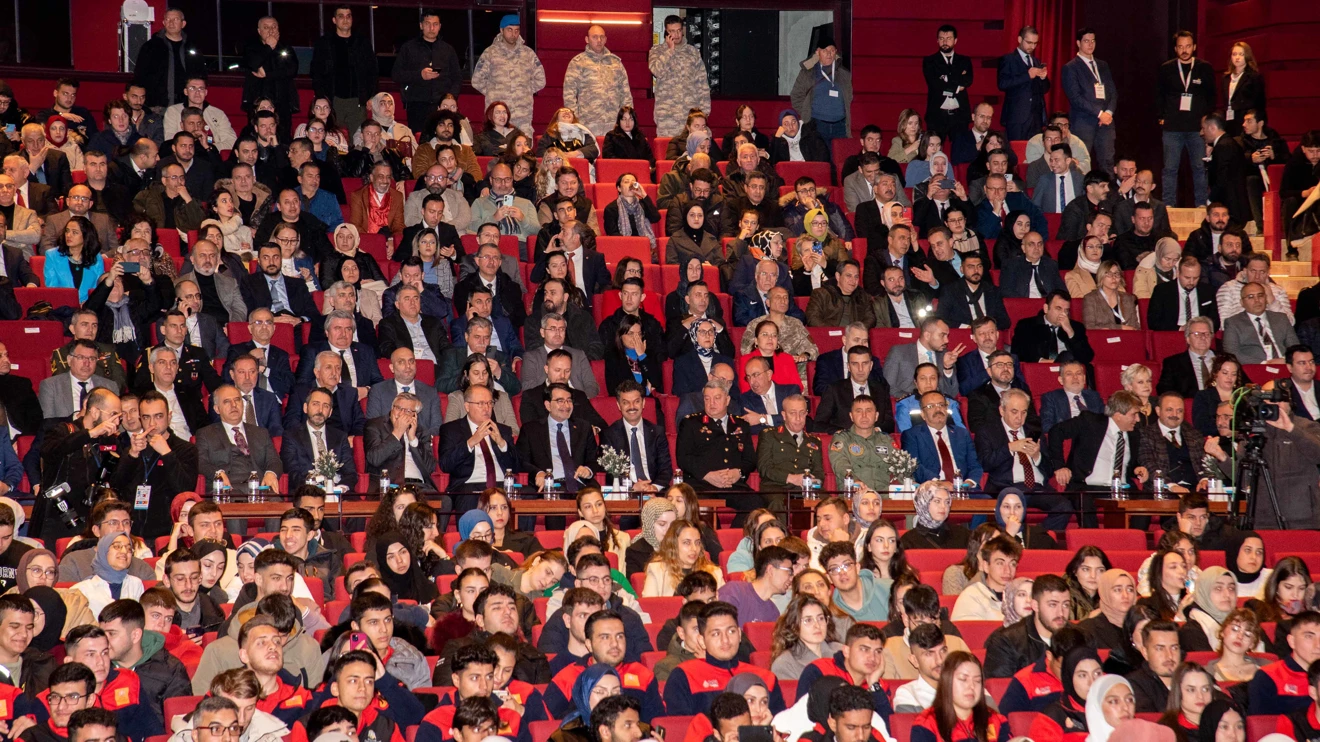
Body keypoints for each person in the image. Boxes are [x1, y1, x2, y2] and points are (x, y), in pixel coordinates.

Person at [1158, 31, 1216, 207]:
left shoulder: (1204, 68)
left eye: (1188, 46)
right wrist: (1162, 118)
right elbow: (1159, 96)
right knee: (1170, 169)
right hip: (1172, 128)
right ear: (1175, 48)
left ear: (1194, 47)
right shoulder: (1166, 68)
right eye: (1181, 47)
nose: (1184, 50)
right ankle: (1168, 205)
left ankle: (1201, 204)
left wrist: (1206, 126)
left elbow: (1211, 98)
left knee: (1199, 168)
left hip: (1197, 129)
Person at [469, 16, 545, 137]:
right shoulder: (490, 53)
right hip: (497, 117)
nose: (513, 34)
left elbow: (541, 80)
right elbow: (477, 81)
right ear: (501, 30)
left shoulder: (528, 54)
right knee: (497, 151)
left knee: (523, 152)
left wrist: (524, 91)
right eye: (509, 30)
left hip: (522, 117)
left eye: (516, 30)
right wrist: (493, 92)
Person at [910, 652, 1009, 742]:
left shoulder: (996, 720)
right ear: (947, 682)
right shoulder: (926, 723)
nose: (971, 686)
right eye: (963, 679)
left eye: (977, 681)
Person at [1062, 30, 1117, 174]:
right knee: (1081, 164)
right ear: (1078, 43)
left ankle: (1108, 196)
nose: (1090, 44)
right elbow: (1075, 98)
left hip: (1106, 122)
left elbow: (1112, 92)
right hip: (1083, 123)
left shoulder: (1103, 65)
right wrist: (1099, 114)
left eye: (1093, 40)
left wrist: (1108, 113)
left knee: (1108, 162)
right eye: (1086, 41)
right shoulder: (1071, 67)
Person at [1222, 282, 1297, 364]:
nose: (1257, 300)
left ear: (1266, 298)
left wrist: (1285, 360)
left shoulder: (1281, 318)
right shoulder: (1233, 323)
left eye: (1260, 295)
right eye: (1251, 297)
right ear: (1242, 303)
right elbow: (1231, 353)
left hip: (1284, 366)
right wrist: (1265, 363)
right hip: (1255, 369)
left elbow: (1295, 347)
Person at [997, 27, 1050, 141]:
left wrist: (1043, 78)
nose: (1032, 46)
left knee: (1034, 152)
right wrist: (1027, 76)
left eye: (1035, 43)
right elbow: (1002, 84)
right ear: (1020, 39)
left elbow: (1045, 89)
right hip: (1017, 116)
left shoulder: (1036, 61)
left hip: (1036, 117)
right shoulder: (1008, 59)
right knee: (1016, 152)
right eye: (1029, 42)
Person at [1149, 259, 1219, 334]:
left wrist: (1200, 329)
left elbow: (1215, 322)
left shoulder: (1207, 291)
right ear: (1178, 273)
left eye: (1196, 278)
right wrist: (1180, 328)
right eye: (1187, 278)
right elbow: (1154, 322)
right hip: (1173, 334)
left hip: (1201, 335)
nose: (1191, 282)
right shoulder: (1162, 290)